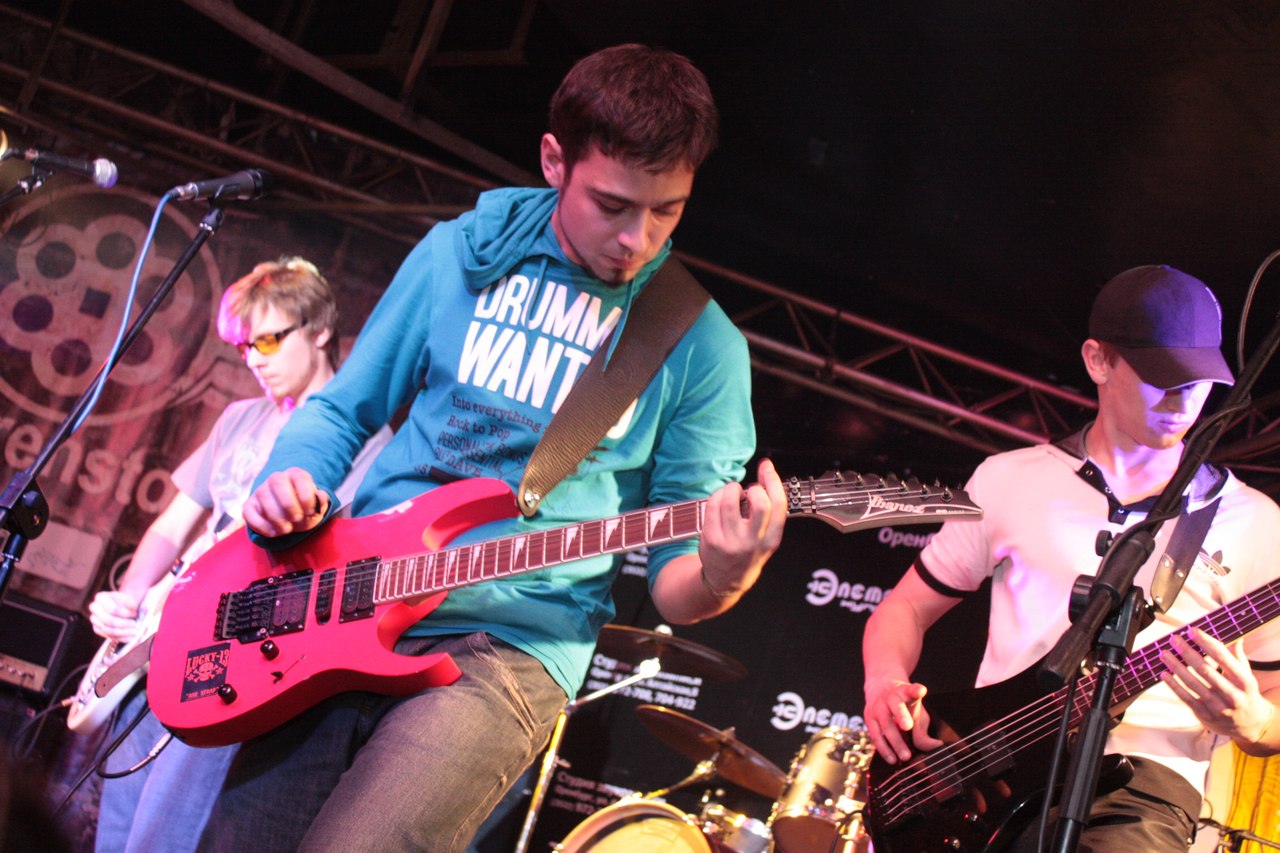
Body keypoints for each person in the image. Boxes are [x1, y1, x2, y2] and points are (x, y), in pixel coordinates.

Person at [195, 43, 788, 853]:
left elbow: (679, 588)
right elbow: (341, 410)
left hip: (509, 645)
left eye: (667, 211)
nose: (637, 238)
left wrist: (725, 571)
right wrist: (289, 477)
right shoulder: (459, 253)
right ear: (554, 161)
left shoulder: (700, 345)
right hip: (350, 597)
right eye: (612, 204)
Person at [861, 264, 1280, 851]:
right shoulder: (1008, 478)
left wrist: (1252, 722)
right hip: (992, 768)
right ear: (1098, 360)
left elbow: (1273, 707)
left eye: (1199, 380)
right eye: (1162, 376)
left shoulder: (1255, 520)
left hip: (1144, 789)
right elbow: (904, 608)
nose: (1184, 397)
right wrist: (884, 682)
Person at [87, 257, 391, 853]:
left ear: (320, 330)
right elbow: (173, 528)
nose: (254, 358)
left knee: (163, 833)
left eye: (269, 340)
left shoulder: (365, 443)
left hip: (232, 654)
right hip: (162, 639)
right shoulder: (239, 419)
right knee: (116, 824)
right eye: (244, 346)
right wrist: (131, 599)